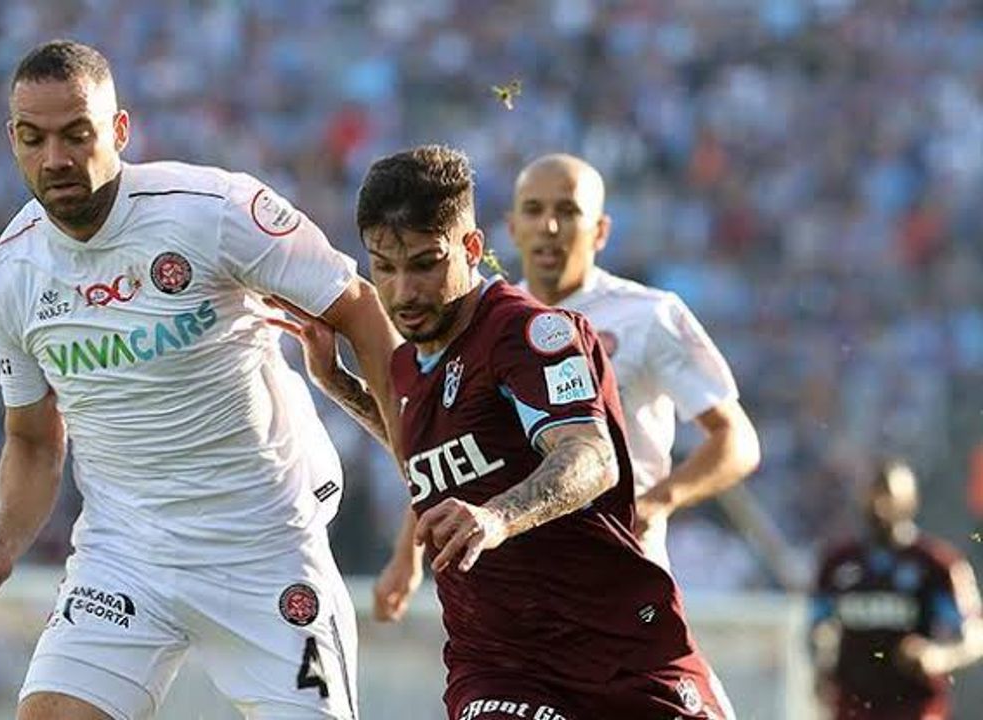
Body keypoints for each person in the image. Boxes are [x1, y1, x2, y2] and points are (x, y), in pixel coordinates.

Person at [0, 40, 400, 720]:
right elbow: (35, 439)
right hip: (126, 555)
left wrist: (421, 456)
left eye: (76, 134)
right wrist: (5, 544)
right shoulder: (10, 275)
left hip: (265, 545)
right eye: (34, 138)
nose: (56, 158)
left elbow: (360, 308)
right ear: (12, 140)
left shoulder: (213, 210)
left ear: (119, 130)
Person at [277, 145, 734, 718]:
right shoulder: (409, 364)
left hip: (611, 650)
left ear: (472, 248)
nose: (403, 291)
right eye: (384, 268)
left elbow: (590, 454)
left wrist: (495, 517)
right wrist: (338, 384)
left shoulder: (531, 334)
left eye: (425, 264)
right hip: (498, 663)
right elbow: (425, 457)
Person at [371, 154, 762, 619]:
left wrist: (659, 501)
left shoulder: (649, 315)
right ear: (512, 228)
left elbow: (737, 440)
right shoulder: (475, 324)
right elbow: (441, 448)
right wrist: (407, 555)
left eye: (568, 211)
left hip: (616, 573)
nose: (549, 226)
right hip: (516, 585)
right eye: (534, 210)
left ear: (601, 231)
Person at [812, 460, 983, 719]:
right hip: (853, 707)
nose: (880, 506)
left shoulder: (935, 565)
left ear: (909, 499)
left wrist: (938, 656)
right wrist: (822, 665)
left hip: (913, 708)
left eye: (888, 496)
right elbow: (817, 626)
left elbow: (973, 636)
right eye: (874, 495)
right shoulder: (838, 564)